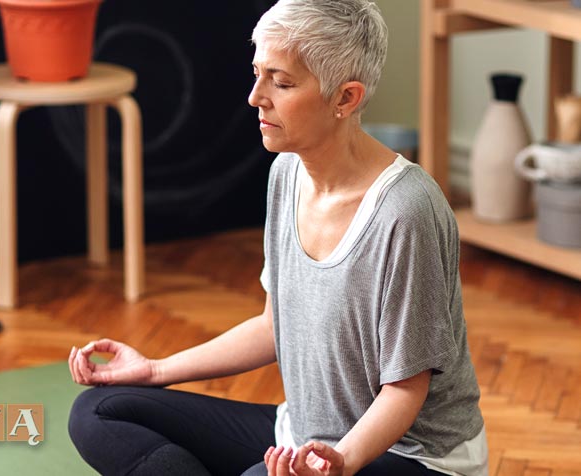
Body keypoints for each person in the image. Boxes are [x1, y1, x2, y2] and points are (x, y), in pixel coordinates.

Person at [67, 0, 488, 474]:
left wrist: (341, 461)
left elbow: (406, 389)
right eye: (257, 73)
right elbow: (274, 325)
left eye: (282, 82)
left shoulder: (406, 211)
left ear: (346, 99)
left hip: (411, 457)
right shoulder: (286, 174)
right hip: (301, 436)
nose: (255, 96)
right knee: (99, 412)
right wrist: (154, 371)